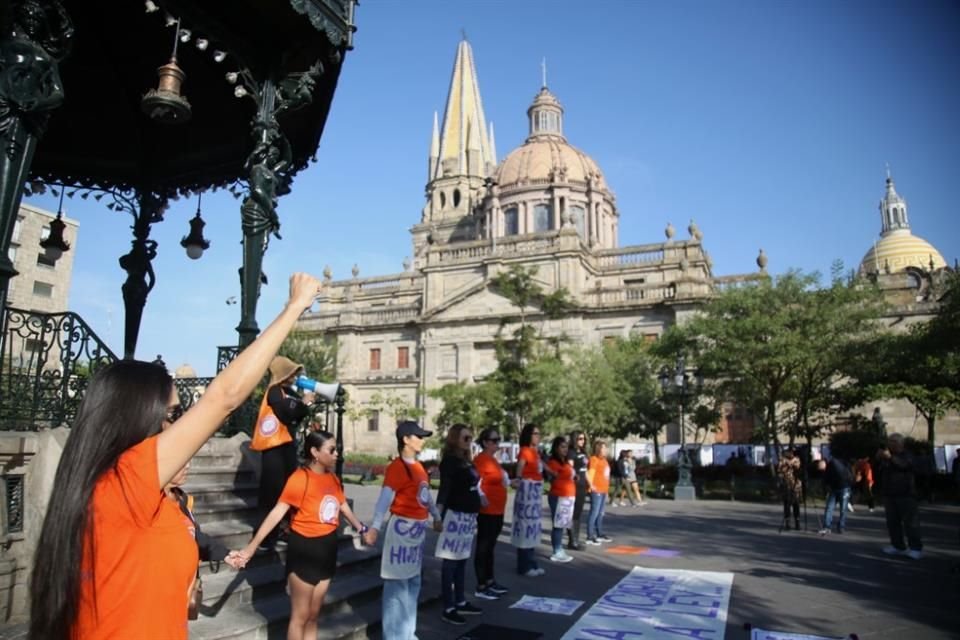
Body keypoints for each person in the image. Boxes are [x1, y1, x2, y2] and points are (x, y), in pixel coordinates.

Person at [29, 273, 321, 640]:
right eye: (172, 415)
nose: (181, 427)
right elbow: (224, 397)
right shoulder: (121, 481)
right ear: (135, 418)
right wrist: (294, 307)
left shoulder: (151, 495)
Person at [365, 421, 442, 640]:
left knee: (412, 584)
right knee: (396, 587)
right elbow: (384, 500)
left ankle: (408, 633)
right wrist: (374, 528)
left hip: (416, 533)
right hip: (400, 532)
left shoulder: (419, 468)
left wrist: (436, 517)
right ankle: (394, 636)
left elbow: (425, 498)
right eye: (418, 436)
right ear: (406, 439)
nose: (422, 440)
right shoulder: (397, 468)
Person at [250, 355, 317, 551]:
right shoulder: (274, 392)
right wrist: (303, 403)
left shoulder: (287, 392)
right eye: (292, 372)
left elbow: (297, 413)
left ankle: (283, 529)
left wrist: (305, 404)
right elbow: (286, 412)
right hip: (274, 448)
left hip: (285, 446)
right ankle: (265, 537)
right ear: (283, 374)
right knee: (271, 493)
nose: (295, 376)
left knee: (287, 490)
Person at [436, 424, 484, 626]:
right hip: (455, 516)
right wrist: (437, 515)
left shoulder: (467, 461)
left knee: (462, 558)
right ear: (454, 439)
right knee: (450, 561)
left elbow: (474, 484)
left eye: (471, 438)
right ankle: (449, 606)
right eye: (465, 438)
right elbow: (445, 489)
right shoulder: (450, 462)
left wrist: (480, 498)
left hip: (468, 517)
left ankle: (460, 600)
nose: (469, 441)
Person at [472, 427, 510, 599]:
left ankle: (490, 580)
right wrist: (481, 496)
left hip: (498, 509)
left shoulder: (493, 460)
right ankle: (481, 585)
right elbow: (475, 481)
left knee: (491, 546)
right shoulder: (481, 460)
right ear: (485, 442)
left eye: (498, 440)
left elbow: (499, 479)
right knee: (483, 546)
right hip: (487, 510)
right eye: (494, 441)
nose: (497, 444)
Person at [877, 433, 923, 559]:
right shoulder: (888, 457)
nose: (889, 443)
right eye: (889, 441)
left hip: (905, 494)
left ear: (900, 443)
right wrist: (880, 458)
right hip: (890, 494)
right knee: (892, 522)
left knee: (910, 523)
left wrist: (890, 458)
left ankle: (915, 547)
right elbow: (880, 471)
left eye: (892, 441)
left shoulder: (907, 455)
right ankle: (897, 545)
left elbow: (904, 465)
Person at [513, 424, 545, 576]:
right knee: (526, 530)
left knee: (533, 530)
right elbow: (520, 466)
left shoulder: (535, 452)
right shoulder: (525, 451)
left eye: (539, 434)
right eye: (535, 434)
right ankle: (524, 566)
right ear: (528, 435)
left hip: (535, 493)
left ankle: (532, 563)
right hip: (527, 493)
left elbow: (541, 467)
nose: (538, 436)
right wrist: (519, 479)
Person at [546, 436, 575, 563]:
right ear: (556, 448)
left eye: (566, 447)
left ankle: (560, 548)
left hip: (568, 496)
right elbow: (552, 476)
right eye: (562, 447)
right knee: (558, 525)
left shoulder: (565, 462)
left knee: (562, 525)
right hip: (558, 496)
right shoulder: (553, 462)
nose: (565, 449)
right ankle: (557, 550)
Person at [819, 454, 855, 535]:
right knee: (841, 509)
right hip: (842, 488)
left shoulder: (832, 465)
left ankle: (829, 526)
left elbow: (826, 481)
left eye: (821, 468)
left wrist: (825, 491)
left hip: (839, 488)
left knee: (832, 508)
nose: (822, 470)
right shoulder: (835, 464)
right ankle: (838, 527)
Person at [566, 430, 589, 550]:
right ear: (574, 439)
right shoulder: (571, 452)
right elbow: (570, 468)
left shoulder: (583, 452)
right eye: (580, 438)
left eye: (583, 439)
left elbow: (586, 469)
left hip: (583, 485)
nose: (582, 441)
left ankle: (576, 539)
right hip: (574, 485)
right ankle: (572, 541)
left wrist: (590, 484)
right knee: (573, 513)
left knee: (578, 513)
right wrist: (574, 476)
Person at [586, 440, 612, 545]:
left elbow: (606, 476)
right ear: (598, 449)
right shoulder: (594, 459)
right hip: (596, 490)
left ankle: (599, 533)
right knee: (594, 513)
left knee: (600, 513)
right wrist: (591, 486)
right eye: (603, 448)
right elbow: (589, 473)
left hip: (603, 490)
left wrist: (607, 491)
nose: (605, 450)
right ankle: (590, 536)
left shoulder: (604, 460)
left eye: (606, 448)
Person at [776, 448, 803, 530]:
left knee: (796, 504)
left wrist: (791, 462)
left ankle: (797, 522)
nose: (790, 454)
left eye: (792, 453)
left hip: (796, 485)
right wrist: (787, 463)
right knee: (787, 504)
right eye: (789, 453)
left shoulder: (797, 459)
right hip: (786, 484)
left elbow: (798, 467)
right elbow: (780, 470)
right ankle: (787, 522)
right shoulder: (782, 460)